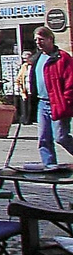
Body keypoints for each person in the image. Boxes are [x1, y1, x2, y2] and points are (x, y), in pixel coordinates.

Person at [32, 25, 73, 167]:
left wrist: (67, 101)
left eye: (41, 39)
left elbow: (70, 83)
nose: (38, 42)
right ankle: (49, 165)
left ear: (50, 39)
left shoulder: (62, 58)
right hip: (42, 103)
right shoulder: (37, 58)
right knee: (44, 138)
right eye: (36, 39)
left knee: (61, 137)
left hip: (58, 103)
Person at [15, 49, 36, 124]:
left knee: (31, 104)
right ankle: (26, 119)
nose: (24, 60)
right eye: (23, 59)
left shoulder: (34, 66)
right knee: (25, 104)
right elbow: (19, 77)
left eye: (26, 58)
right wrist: (18, 86)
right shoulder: (24, 66)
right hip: (25, 87)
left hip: (32, 87)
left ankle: (31, 118)